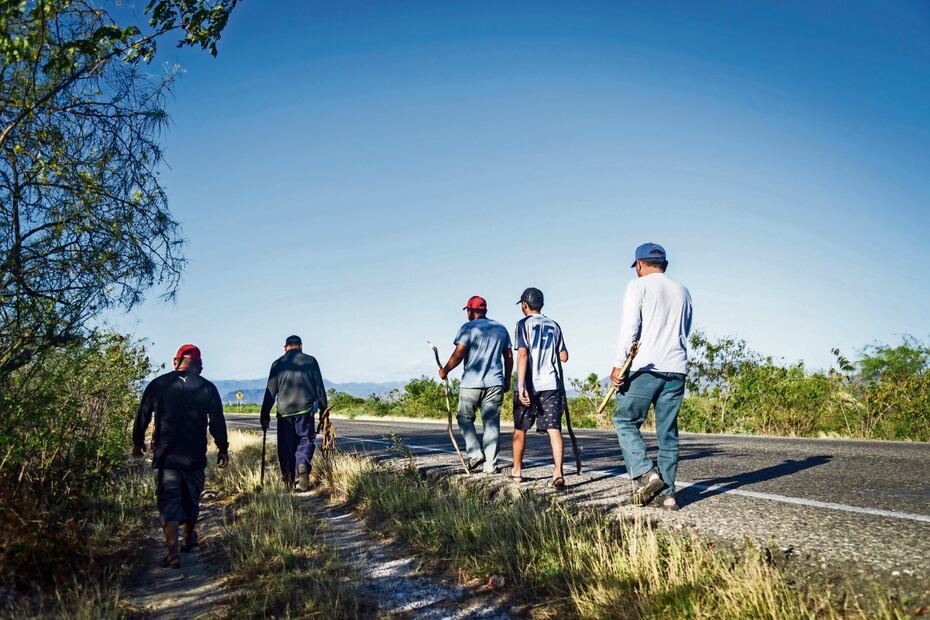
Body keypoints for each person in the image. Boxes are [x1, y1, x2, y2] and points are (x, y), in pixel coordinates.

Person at [610, 243, 692, 510]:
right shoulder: (683, 290)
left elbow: (630, 327)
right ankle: (668, 496)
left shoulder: (638, 286)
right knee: (667, 433)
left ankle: (647, 474)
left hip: (646, 367)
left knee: (625, 420)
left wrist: (618, 364)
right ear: (664, 265)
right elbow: (685, 329)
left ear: (639, 264)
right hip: (676, 367)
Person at [132, 344, 229, 569]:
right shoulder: (207, 387)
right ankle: (188, 538)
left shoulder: (159, 384)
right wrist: (223, 448)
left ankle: (173, 553)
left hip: (166, 456)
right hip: (194, 456)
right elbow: (217, 421)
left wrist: (138, 442)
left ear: (175, 361)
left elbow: (143, 415)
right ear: (200, 366)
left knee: (169, 502)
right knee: (191, 499)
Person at [438, 296, 513, 473]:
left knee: (464, 418)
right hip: (495, 382)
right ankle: (490, 465)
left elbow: (459, 353)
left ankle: (475, 453)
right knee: (491, 424)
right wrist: (507, 379)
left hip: (471, 383)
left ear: (471, 311)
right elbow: (508, 356)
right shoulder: (501, 329)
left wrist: (445, 370)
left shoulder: (468, 328)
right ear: (485, 310)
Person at [504, 287, 569, 488]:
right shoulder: (554, 325)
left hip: (530, 384)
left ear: (525, 304)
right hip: (551, 385)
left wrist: (521, 384)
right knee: (554, 429)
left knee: (520, 429)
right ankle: (558, 473)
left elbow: (522, 354)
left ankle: (517, 471)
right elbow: (564, 356)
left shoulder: (523, 324)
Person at [260, 335, 328, 492]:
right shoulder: (311, 361)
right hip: (305, 410)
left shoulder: (277, 364)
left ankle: (288, 480)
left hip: (284, 413)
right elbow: (319, 387)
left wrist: (264, 415)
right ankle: (302, 463)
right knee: (305, 440)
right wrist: (324, 410)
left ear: (285, 348)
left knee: (286, 447)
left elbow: (270, 392)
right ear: (301, 346)